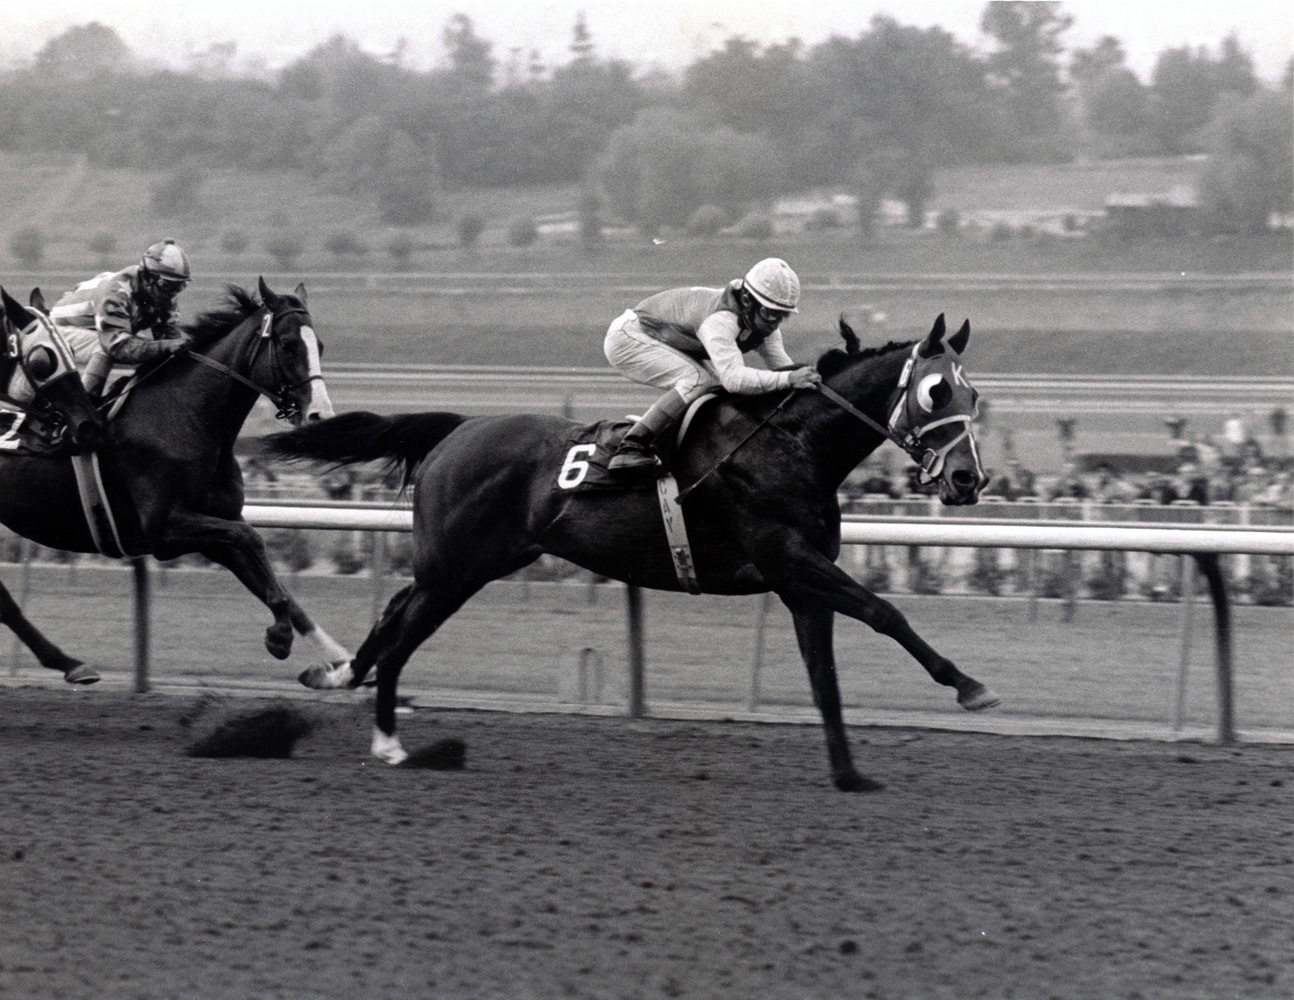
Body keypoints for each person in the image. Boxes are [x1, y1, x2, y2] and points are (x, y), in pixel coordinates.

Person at [602, 257, 821, 477]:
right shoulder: (721, 320)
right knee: (698, 380)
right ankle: (631, 447)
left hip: (663, 337)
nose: (773, 324)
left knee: (711, 384)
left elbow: (784, 369)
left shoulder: (761, 321)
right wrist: (789, 379)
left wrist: (811, 383)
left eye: (781, 316)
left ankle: (669, 435)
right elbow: (735, 380)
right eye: (769, 313)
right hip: (628, 336)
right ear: (747, 299)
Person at [48, 239, 193, 398]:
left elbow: (171, 343)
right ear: (148, 277)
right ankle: (85, 402)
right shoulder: (117, 292)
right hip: (59, 330)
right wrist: (166, 346)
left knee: (144, 345)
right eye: (168, 284)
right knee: (105, 349)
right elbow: (116, 347)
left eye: (180, 286)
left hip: (98, 329)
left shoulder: (164, 296)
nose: (173, 292)